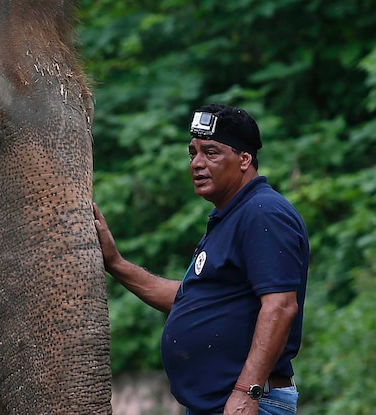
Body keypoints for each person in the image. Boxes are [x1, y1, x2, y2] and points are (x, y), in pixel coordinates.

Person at [93, 104, 309, 415]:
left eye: (211, 152)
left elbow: (280, 306)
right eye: (193, 153)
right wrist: (116, 263)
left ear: (244, 159)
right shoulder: (229, 217)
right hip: (216, 404)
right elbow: (189, 300)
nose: (197, 163)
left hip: (248, 403)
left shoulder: (264, 212)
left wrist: (246, 391)